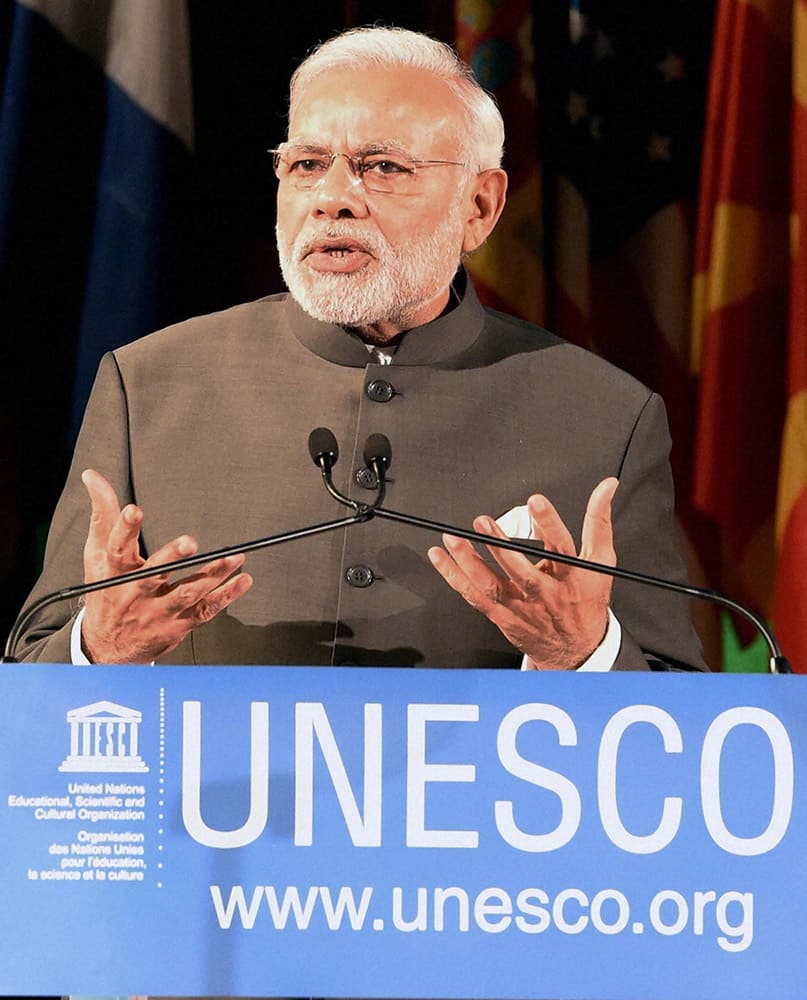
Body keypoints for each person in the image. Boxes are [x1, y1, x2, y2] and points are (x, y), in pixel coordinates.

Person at [14, 26, 705, 673]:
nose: (332, 198)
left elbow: (683, 717)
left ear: (479, 208)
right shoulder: (148, 384)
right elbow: (31, 671)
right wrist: (97, 647)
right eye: (307, 163)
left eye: (382, 167)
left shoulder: (606, 415)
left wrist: (584, 653)